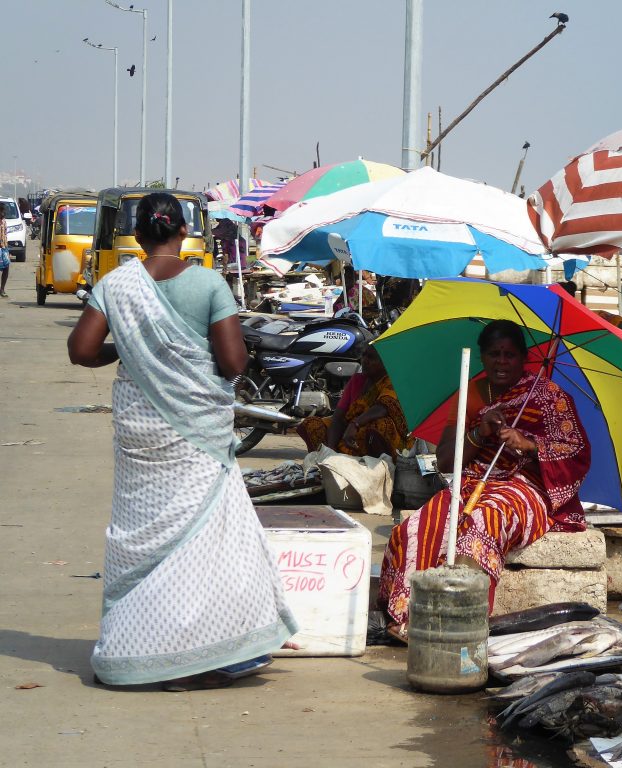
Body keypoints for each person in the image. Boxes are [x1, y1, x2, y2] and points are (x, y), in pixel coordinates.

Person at [67, 192, 298, 690]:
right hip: (195, 435)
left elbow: (82, 350)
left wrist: (126, 350)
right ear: (185, 231)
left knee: (144, 541)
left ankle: (141, 648)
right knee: (199, 545)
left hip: (142, 434)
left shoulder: (116, 284)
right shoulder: (208, 284)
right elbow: (234, 364)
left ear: (138, 233)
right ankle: (195, 656)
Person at [378, 320, 591, 641]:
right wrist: (479, 432)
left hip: (527, 488)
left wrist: (527, 444)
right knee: (416, 527)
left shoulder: (549, 396)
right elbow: (447, 460)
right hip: (474, 481)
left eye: (509, 355)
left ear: (523, 358)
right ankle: (410, 616)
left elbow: (575, 450)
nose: (501, 362)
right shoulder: (473, 395)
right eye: (494, 354)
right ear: (482, 357)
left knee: (483, 520)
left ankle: (459, 621)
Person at [296, 346, 412, 460]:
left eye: (371, 358)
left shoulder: (391, 381)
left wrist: (355, 424)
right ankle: (327, 465)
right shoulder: (357, 380)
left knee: (380, 425)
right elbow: (338, 417)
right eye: (364, 355)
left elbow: (382, 407)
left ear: (384, 362)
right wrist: (330, 451)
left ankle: (379, 470)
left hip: (380, 436)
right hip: (349, 433)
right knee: (311, 424)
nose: (365, 361)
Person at [0, 212, 9, 297]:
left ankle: (2, 289)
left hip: (4, 247)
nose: (3, 213)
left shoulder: (4, 221)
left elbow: (5, 234)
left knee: (6, 267)